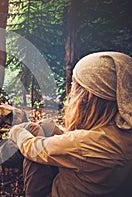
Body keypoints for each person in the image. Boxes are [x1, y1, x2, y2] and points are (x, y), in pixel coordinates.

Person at [8, 51, 132, 197]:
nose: (70, 90)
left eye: (74, 83)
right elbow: (77, 147)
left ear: (89, 95)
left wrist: (16, 131)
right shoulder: (120, 132)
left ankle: (3, 158)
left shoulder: (84, 142)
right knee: (46, 125)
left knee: (32, 135)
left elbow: (33, 148)